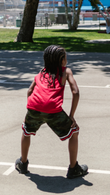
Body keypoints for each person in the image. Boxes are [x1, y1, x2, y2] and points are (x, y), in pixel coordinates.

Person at [15, 45, 89, 179]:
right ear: (61, 61)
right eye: (65, 57)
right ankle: (73, 168)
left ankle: (23, 163)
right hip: (53, 110)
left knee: (26, 131)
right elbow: (76, 92)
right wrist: (71, 116)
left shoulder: (41, 72)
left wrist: (31, 110)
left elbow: (29, 91)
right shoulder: (65, 72)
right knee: (74, 132)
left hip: (34, 107)